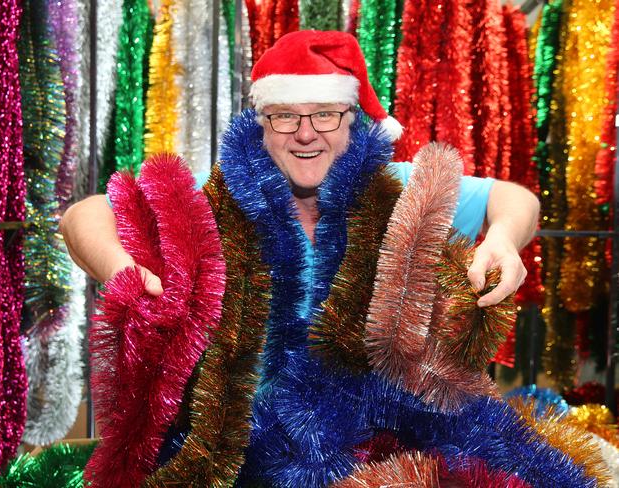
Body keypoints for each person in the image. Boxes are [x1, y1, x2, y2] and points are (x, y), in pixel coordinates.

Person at [61, 30, 552, 486]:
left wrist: (503, 238)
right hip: (240, 446)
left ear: (351, 120)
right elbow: (82, 216)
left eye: (324, 114)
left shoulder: (398, 192)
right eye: (285, 116)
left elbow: (513, 199)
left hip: (381, 443)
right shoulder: (218, 200)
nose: (305, 133)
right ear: (261, 124)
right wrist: (122, 269)